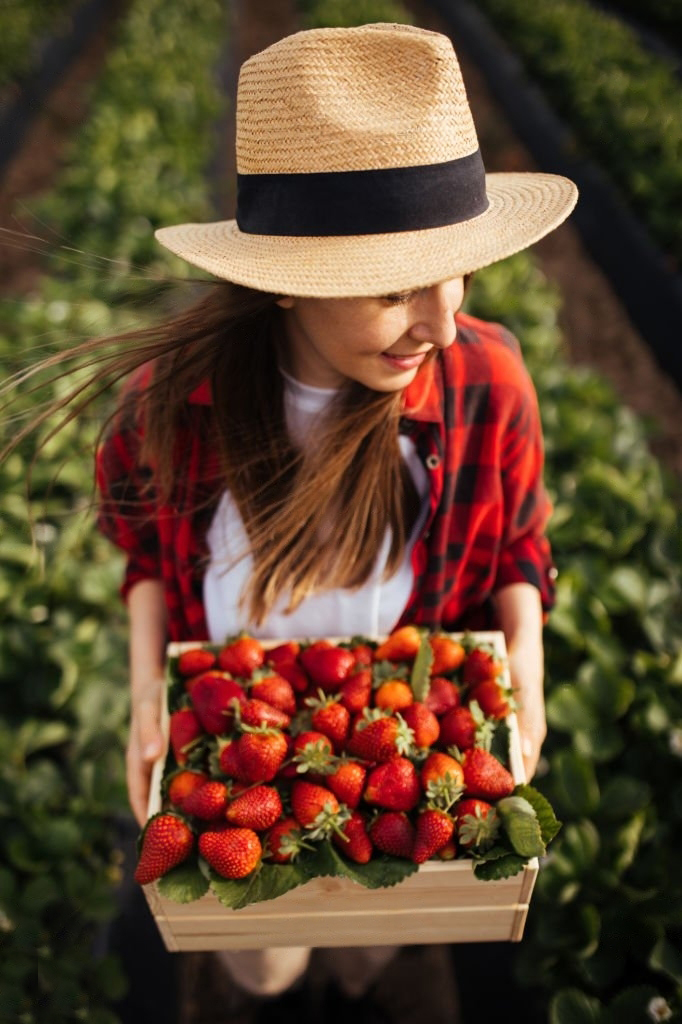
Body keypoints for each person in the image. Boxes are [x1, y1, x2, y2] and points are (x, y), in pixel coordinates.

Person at [93, 21, 577, 1023]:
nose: (441, 325)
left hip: (403, 737)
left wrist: (522, 674)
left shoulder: (486, 384)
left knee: (379, 940)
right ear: (284, 280)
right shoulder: (167, 411)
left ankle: (367, 975)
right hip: (239, 734)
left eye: (457, 272)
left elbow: (518, 545)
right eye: (395, 288)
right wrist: (148, 682)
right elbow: (144, 551)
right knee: (261, 963)